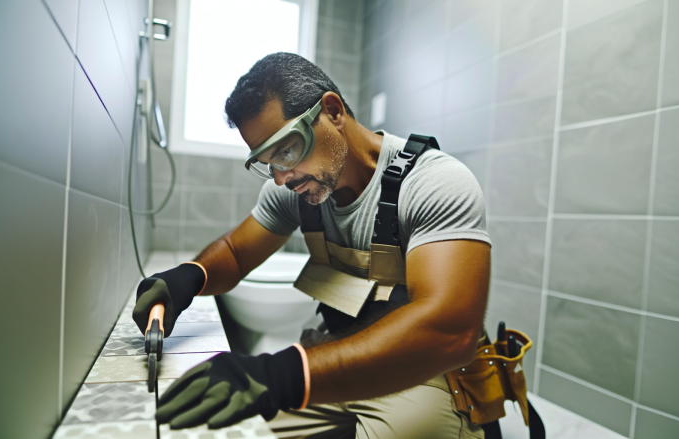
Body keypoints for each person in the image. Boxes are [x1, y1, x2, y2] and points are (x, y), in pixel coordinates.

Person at [132, 52, 491, 438]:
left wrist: (283, 375)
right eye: (268, 162)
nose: (283, 178)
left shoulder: (434, 183)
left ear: (333, 111)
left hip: (419, 373)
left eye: (286, 150)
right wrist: (188, 278)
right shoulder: (300, 188)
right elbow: (236, 254)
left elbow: (448, 331)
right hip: (334, 354)